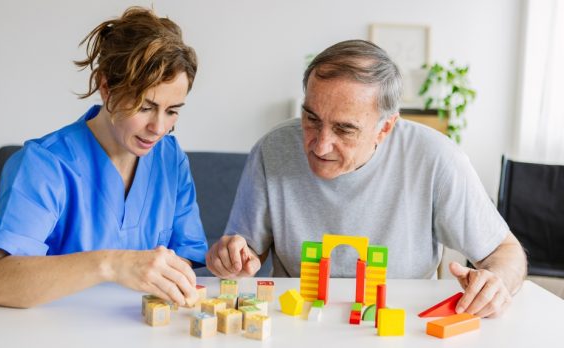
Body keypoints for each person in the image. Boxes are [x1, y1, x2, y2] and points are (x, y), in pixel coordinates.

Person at [206, 39, 527, 318]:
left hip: (400, 322)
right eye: (311, 118)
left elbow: (505, 253)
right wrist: (233, 256)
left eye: (344, 128)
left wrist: (496, 281)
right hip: (297, 320)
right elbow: (246, 251)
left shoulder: (437, 158)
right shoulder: (272, 149)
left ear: (385, 128)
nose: (320, 144)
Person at [0, 7, 208, 308]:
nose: (159, 128)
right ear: (106, 87)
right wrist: (111, 264)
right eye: (145, 107)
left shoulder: (170, 159)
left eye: (172, 111)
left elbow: (186, 256)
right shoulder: (44, 164)